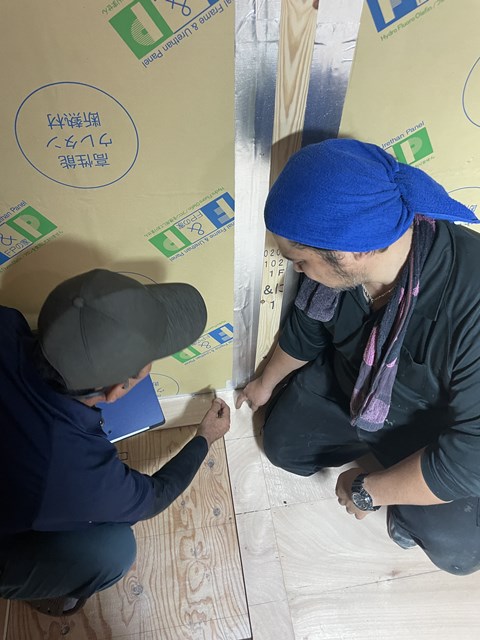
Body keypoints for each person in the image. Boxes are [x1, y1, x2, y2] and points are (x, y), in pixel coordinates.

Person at [236, 138, 480, 575]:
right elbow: (307, 328)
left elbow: (470, 456)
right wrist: (264, 383)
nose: (296, 270)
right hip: (350, 386)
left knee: (460, 553)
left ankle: (407, 503)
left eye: (300, 260)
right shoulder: (341, 264)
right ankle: (388, 465)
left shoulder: (470, 306)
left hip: (431, 430)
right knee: (282, 447)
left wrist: (370, 490)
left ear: (354, 253)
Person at [0, 269, 230, 616]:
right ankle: (49, 588)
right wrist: (205, 438)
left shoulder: (6, 322)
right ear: (115, 390)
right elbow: (153, 497)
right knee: (114, 551)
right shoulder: (74, 472)